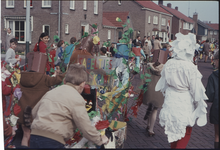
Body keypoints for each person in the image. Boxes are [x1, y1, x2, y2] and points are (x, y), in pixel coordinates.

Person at [29, 64, 109, 148]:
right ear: (82, 84)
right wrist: (100, 139)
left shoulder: (51, 92)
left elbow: (34, 112)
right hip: (53, 140)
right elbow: (85, 127)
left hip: (34, 136)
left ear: (65, 81)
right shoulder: (77, 98)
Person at [155, 32, 208, 149]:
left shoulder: (169, 63)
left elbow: (164, 84)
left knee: (173, 130)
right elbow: (196, 91)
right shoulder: (190, 67)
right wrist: (199, 105)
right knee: (185, 131)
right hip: (184, 102)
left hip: (170, 101)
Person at [17, 69, 66, 147]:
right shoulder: (44, 78)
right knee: (35, 138)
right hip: (37, 113)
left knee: (26, 135)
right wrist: (66, 72)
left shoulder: (21, 77)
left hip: (23, 111)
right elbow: (57, 80)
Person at [143, 60, 164, 137]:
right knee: (155, 110)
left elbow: (145, 78)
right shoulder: (164, 69)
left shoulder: (149, 67)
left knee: (149, 106)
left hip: (149, 89)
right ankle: (151, 129)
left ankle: (148, 124)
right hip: (158, 90)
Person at [205, 50, 219, 149]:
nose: (214, 62)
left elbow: (209, 96)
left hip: (217, 108)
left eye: (215, 60)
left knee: (217, 135)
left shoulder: (213, 76)